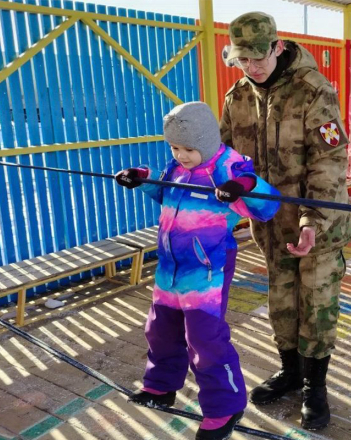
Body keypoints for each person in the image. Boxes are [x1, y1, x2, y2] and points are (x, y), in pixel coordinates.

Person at [115, 101, 280, 440]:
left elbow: (268, 206)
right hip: (170, 267)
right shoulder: (177, 168)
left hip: (207, 270)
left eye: (188, 149)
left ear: (206, 140)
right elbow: (166, 195)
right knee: (160, 330)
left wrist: (243, 187)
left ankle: (225, 407)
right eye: (175, 148)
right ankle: (161, 387)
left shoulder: (228, 166)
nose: (181, 155)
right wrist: (142, 179)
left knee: (204, 340)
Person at [219, 12, 351, 431]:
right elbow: (225, 157)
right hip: (271, 224)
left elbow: (329, 162)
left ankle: (315, 386)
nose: (252, 67)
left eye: (259, 57)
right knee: (282, 300)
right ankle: (291, 372)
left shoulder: (313, 90)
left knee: (316, 304)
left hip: (319, 223)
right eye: (243, 59)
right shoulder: (237, 96)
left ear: (277, 47)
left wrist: (312, 220)